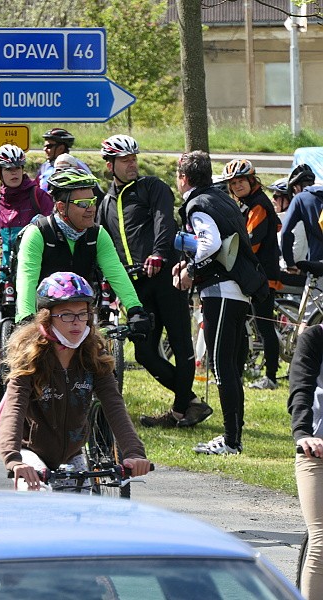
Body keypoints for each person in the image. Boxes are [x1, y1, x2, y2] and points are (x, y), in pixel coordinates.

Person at [0, 271, 151, 491]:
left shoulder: (93, 357)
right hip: (31, 452)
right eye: (66, 315)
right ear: (47, 319)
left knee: (82, 506)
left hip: (72, 453)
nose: (76, 323)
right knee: (36, 495)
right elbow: (14, 408)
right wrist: (14, 459)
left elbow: (114, 406)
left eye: (82, 314)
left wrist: (134, 452)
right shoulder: (30, 360)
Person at [96, 134, 212, 428]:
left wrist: (159, 253)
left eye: (134, 158)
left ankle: (180, 410)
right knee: (145, 352)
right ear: (110, 165)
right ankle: (191, 403)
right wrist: (106, 280)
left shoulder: (152, 187)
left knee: (180, 343)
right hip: (136, 285)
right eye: (125, 160)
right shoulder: (106, 203)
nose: (132, 164)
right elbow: (104, 244)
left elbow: (164, 221)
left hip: (165, 277)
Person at [174, 150, 269, 455]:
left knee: (221, 366)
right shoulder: (220, 198)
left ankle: (231, 441)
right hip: (234, 289)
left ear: (183, 178)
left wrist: (190, 270)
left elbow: (211, 243)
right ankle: (233, 438)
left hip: (223, 290)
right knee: (227, 366)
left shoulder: (198, 203)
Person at [14, 167, 150, 343]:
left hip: (81, 317)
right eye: (83, 204)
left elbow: (116, 273)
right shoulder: (38, 233)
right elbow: (27, 279)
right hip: (46, 317)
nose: (91, 209)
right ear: (61, 207)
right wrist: (26, 319)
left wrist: (135, 309)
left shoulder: (97, 235)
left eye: (93, 201)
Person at [221, 159, 282, 390]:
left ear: (251, 180)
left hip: (263, 276)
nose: (237, 186)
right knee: (243, 324)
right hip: (254, 275)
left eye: (241, 181)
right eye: (233, 183)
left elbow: (250, 242)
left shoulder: (258, 205)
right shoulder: (247, 203)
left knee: (265, 327)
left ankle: (271, 377)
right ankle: (238, 371)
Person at [288, 324, 323, 599]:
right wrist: (303, 434)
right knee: (322, 540)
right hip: (317, 453)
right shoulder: (315, 338)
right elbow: (301, 389)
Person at [0, 143, 53, 267]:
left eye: (18, 168)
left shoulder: (38, 195)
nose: (14, 173)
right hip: (8, 270)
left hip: (35, 268)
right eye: (8, 169)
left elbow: (53, 234)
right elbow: (4, 240)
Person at [281, 163, 323, 325]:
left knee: (307, 322)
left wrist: (290, 263)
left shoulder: (300, 198)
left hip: (318, 267)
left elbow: (286, 233)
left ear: (295, 188)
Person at [268, 177, 307, 289]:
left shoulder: (298, 223)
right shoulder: (281, 219)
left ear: (289, 199)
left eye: (276, 197)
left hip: (295, 273)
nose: (272, 200)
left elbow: (294, 254)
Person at [34, 127, 92, 193]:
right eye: (44, 146)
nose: (44, 149)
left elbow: (96, 191)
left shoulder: (77, 165)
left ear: (61, 148)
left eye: (49, 146)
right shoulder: (45, 166)